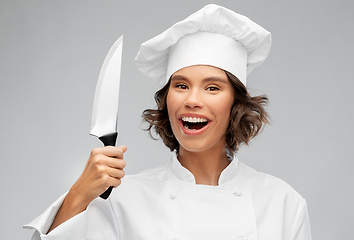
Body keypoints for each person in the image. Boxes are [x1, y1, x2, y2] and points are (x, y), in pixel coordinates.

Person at [24, 4, 312, 240]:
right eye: (181, 85)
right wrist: (79, 194)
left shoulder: (283, 204)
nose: (192, 100)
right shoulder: (122, 200)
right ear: (166, 100)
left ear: (236, 103)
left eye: (212, 88)